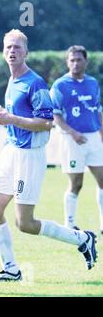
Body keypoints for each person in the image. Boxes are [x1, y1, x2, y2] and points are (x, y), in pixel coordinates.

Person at [0, 30, 98, 281]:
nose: (12, 51)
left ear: (26, 52)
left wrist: (11, 118)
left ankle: (82, 239)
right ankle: (11, 269)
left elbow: (45, 123)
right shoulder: (12, 81)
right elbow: (13, 117)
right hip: (11, 151)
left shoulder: (35, 83)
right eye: (8, 47)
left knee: (26, 224)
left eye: (17, 48)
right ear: (3, 51)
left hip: (29, 157)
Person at [50, 45, 103, 233]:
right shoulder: (60, 85)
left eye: (78, 59)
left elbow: (98, 110)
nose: (75, 63)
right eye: (71, 60)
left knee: (102, 180)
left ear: (86, 61)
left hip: (94, 138)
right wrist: (73, 133)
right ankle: (69, 223)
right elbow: (55, 115)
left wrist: (102, 133)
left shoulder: (93, 83)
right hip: (72, 140)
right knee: (76, 183)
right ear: (67, 62)